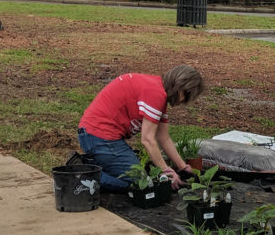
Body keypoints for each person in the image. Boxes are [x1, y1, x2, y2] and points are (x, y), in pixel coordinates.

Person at [77, 66, 205, 192]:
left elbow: (164, 138)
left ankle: (96, 165)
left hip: (97, 135)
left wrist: (183, 167)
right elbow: (148, 140)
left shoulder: (157, 92)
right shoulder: (155, 94)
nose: (184, 101)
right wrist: (165, 170)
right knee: (140, 183)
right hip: (99, 136)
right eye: (186, 95)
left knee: (139, 177)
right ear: (179, 86)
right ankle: (81, 175)